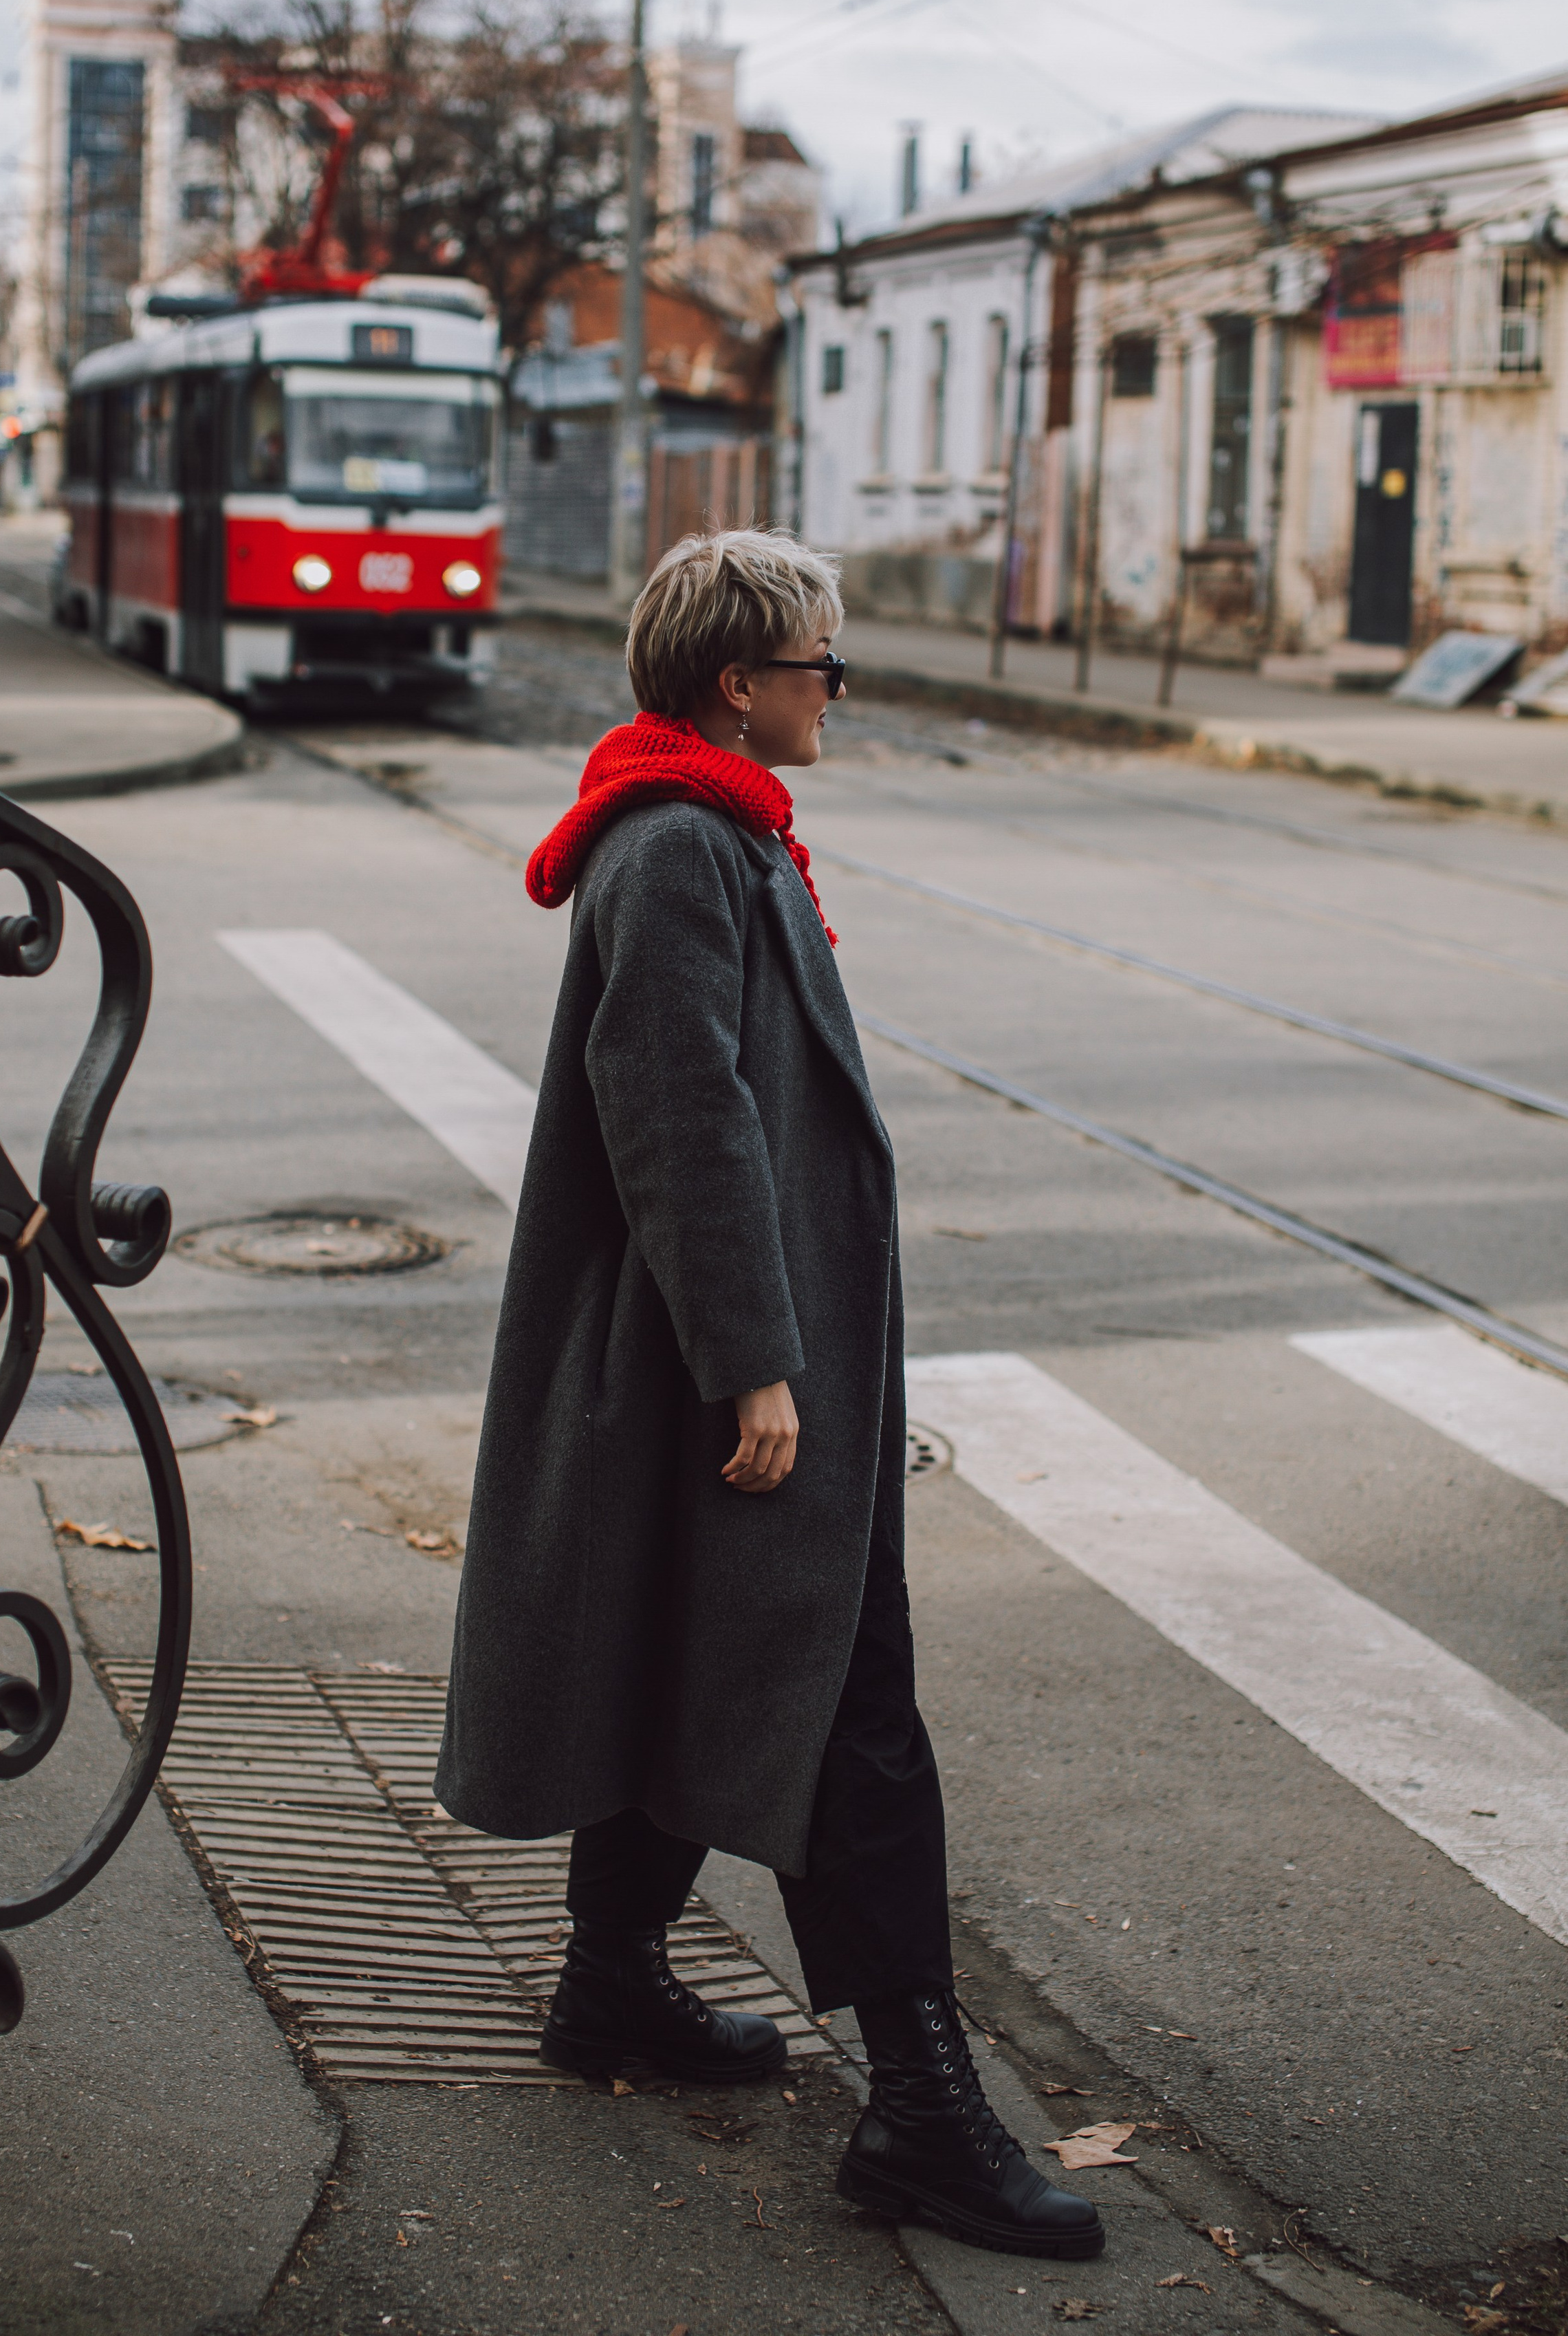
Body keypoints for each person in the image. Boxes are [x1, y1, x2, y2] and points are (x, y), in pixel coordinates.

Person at [436, 528, 1102, 2260]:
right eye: (821, 665)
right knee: (845, 1707)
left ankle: (610, 1983)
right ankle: (923, 2117)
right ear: (738, 684)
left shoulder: (709, 830)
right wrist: (755, 1365)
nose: (837, 694)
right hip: (718, 1362)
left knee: (675, 1650)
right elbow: (681, 1115)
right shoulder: (676, 846)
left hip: (709, 1350)